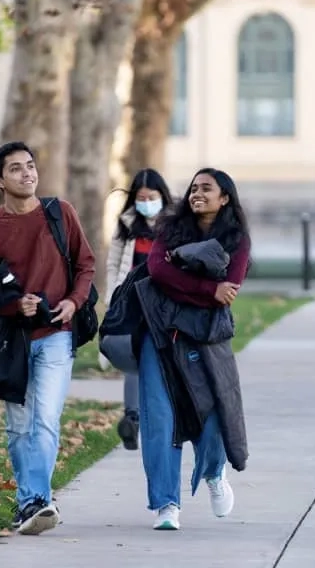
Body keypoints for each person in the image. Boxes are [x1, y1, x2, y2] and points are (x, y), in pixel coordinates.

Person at [0, 141, 96, 535]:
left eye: (30, 166)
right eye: (16, 169)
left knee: (46, 420)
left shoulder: (61, 214)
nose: (28, 173)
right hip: (12, 340)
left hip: (57, 333)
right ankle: (31, 503)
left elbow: (86, 265)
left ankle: (36, 501)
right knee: (20, 425)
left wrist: (74, 302)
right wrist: (12, 306)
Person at [139, 168, 251, 531]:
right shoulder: (169, 229)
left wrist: (183, 278)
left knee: (216, 412)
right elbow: (157, 271)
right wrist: (205, 288)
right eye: (193, 188)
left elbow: (228, 289)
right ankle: (166, 504)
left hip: (207, 336)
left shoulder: (238, 239)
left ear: (225, 198)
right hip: (159, 333)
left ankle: (214, 472)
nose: (197, 193)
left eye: (207, 188)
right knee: (160, 419)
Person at [102, 168, 173, 451]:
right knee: (135, 356)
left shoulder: (174, 224)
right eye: (141, 198)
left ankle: (159, 416)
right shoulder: (127, 223)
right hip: (132, 302)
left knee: (159, 359)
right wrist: (111, 300)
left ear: (162, 196)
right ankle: (132, 418)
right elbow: (113, 264)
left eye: (151, 197)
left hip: (164, 303)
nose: (146, 203)